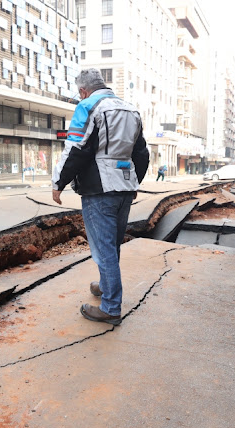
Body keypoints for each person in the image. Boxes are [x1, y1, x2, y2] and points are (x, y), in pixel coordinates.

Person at [51, 68, 149, 325]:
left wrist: (58, 182)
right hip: (124, 187)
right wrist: (134, 181)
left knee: (103, 249)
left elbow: (76, 149)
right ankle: (106, 286)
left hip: (99, 189)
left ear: (83, 91)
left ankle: (110, 308)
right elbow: (142, 153)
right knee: (111, 245)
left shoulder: (88, 106)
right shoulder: (131, 110)